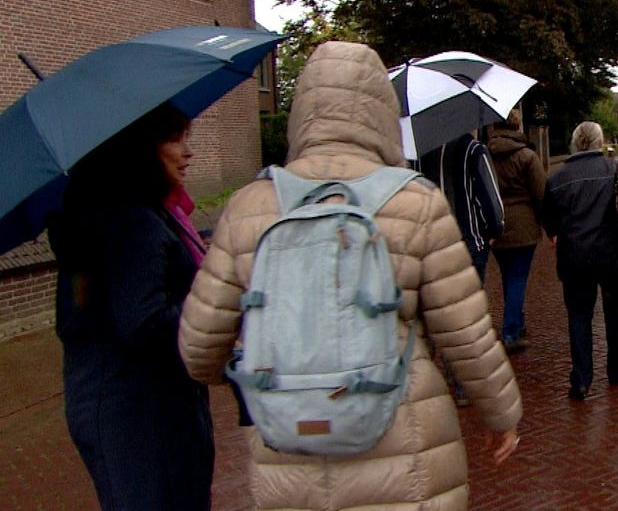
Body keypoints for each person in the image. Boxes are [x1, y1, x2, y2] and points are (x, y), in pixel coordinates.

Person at [178, 42, 521, 509]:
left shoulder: (250, 206)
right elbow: (468, 337)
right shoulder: (416, 203)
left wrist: (278, 367)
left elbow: (199, 351)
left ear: (302, 111)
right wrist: (501, 414)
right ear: (383, 111)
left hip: (288, 448)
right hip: (404, 448)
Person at [48, 103, 214, 510]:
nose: (188, 151)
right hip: (142, 418)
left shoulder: (132, 216)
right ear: (141, 150)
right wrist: (214, 308)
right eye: (175, 138)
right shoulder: (133, 222)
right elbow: (144, 323)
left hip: (138, 411)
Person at [542, 121, 618, 400]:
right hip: (612, 254)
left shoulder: (557, 178)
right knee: (616, 312)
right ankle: (616, 370)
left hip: (575, 257)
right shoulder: (614, 169)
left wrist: (556, 234)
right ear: (599, 142)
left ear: (574, 143)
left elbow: (549, 216)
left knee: (579, 316)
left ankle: (582, 378)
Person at [488, 109, 546, 353]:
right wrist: (549, 225)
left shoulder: (485, 155)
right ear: (517, 126)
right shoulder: (527, 157)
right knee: (518, 279)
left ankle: (517, 323)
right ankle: (511, 331)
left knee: (508, 277)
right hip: (523, 228)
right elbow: (541, 193)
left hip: (496, 226)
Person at [420, 131, 505, 283]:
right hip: (469, 241)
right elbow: (490, 198)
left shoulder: (419, 153)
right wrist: (494, 229)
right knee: (470, 303)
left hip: (431, 245)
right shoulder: (473, 148)